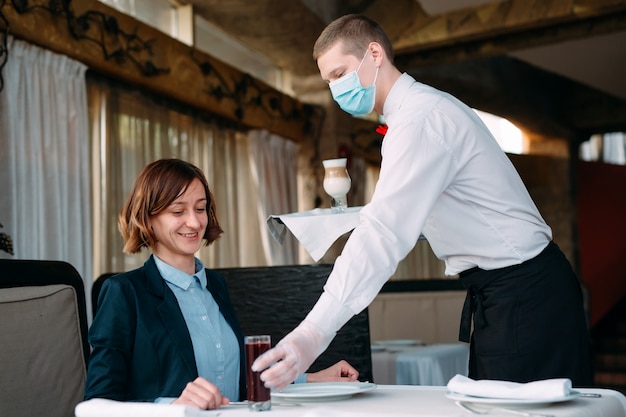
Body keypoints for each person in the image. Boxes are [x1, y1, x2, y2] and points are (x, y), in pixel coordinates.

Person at [252, 14, 592, 389]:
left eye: (339, 73)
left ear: (375, 53)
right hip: (512, 292)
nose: (335, 89)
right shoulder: (414, 115)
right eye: (328, 81)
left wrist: (312, 334)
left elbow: (383, 233)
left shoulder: (419, 121)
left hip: (524, 295)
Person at [84, 158, 359, 410]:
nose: (194, 222)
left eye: (200, 209)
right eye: (178, 211)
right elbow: (97, 402)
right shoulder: (124, 293)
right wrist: (171, 408)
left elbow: (237, 383)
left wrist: (311, 379)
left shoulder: (215, 285)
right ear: (148, 219)